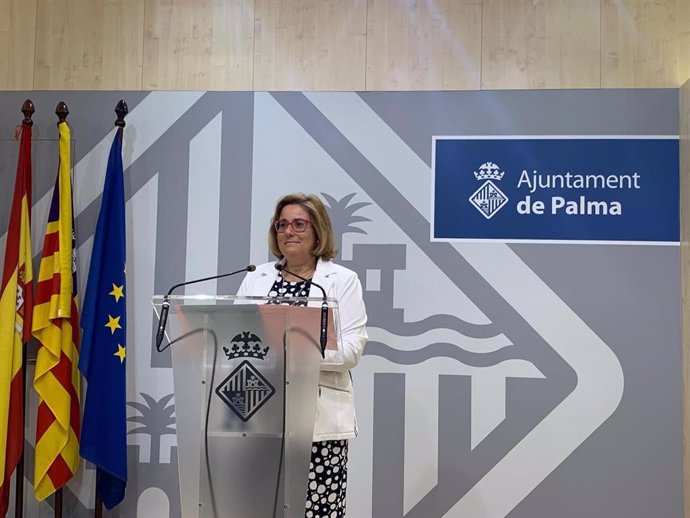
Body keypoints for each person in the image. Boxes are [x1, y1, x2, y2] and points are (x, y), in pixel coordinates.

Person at [237, 193, 367, 518]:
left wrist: (289, 355)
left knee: (319, 512)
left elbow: (351, 351)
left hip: (318, 423)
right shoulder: (256, 278)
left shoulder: (341, 281)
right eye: (282, 224)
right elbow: (233, 337)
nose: (288, 232)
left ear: (317, 232)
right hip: (260, 416)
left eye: (299, 224)